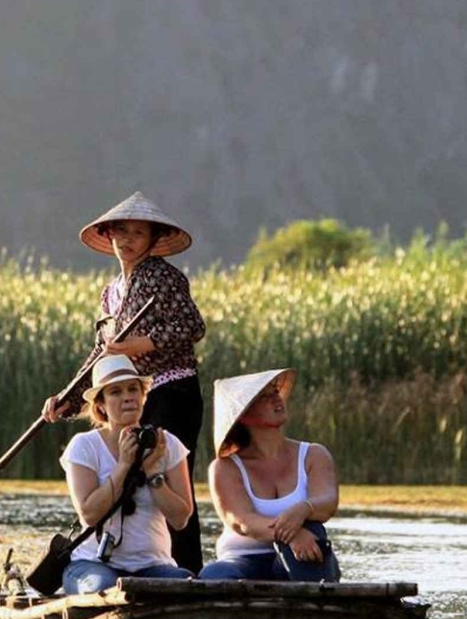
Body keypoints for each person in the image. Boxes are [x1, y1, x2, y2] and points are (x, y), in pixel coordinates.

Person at [42, 192, 208, 572]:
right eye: (122, 232)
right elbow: (102, 355)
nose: (129, 240)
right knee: (131, 479)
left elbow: (192, 327)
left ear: (152, 239)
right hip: (128, 392)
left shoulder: (163, 276)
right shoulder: (111, 292)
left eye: (138, 233)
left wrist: (143, 344)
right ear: (109, 236)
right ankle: (122, 563)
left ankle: (186, 572)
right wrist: (67, 398)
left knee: (166, 474)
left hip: (170, 389)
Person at [59, 354, 195, 594]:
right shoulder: (84, 446)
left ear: (143, 396)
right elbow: (89, 515)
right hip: (93, 565)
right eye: (116, 392)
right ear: (100, 404)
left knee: (186, 582)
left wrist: (153, 471)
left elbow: (181, 518)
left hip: (154, 565)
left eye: (133, 389)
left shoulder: (167, 444)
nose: (127, 397)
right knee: (108, 590)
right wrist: (123, 465)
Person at [199, 368, 341, 581]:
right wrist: (290, 534)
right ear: (244, 415)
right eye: (265, 397)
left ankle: (316, 606)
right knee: (214, 575)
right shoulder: (224, 468)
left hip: (298, 558)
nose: (277, 399)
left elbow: (327, 501)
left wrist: (304, 509)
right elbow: (243, 521)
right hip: (244, 560)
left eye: (275, 391)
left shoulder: (314, 454)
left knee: (313, 529)